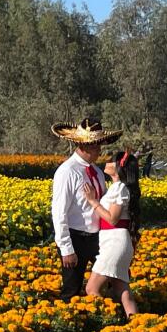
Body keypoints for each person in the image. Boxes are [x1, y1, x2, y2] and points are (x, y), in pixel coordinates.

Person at [51, 117, 122, 300]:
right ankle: (72, 321)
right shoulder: (67, 172)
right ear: (83, 147)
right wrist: (66, 248)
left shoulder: (96, 171)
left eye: (99, 145)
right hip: (76, 238)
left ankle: (110, 317)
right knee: (72, 289)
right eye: (96, 146)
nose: (99, 150)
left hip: (98, 237)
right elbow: (59, 212)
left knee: (111, 278)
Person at [82, 149, 141, 318]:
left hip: (114, 242)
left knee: (92, 289)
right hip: (115, 241)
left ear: (119, 167)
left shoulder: (120, 188)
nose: (106, 163)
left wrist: (93, 201)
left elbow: (113, 219)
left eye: (111, 161)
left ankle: (108, 321)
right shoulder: (117, 187)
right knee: (122, 290)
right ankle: (136, 323)